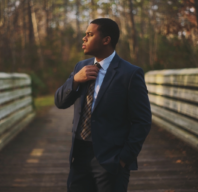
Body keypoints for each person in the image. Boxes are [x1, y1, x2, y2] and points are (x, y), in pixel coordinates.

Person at [55, 18, 151, 192]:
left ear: (106, 40)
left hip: (111, 160)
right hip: (79, 156)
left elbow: (142, 121)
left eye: (90, 35)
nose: (84, 39)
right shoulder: (81, 67)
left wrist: (124, 158)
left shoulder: (130, 73)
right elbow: (60, 102)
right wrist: (75, 80)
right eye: (85, 35)